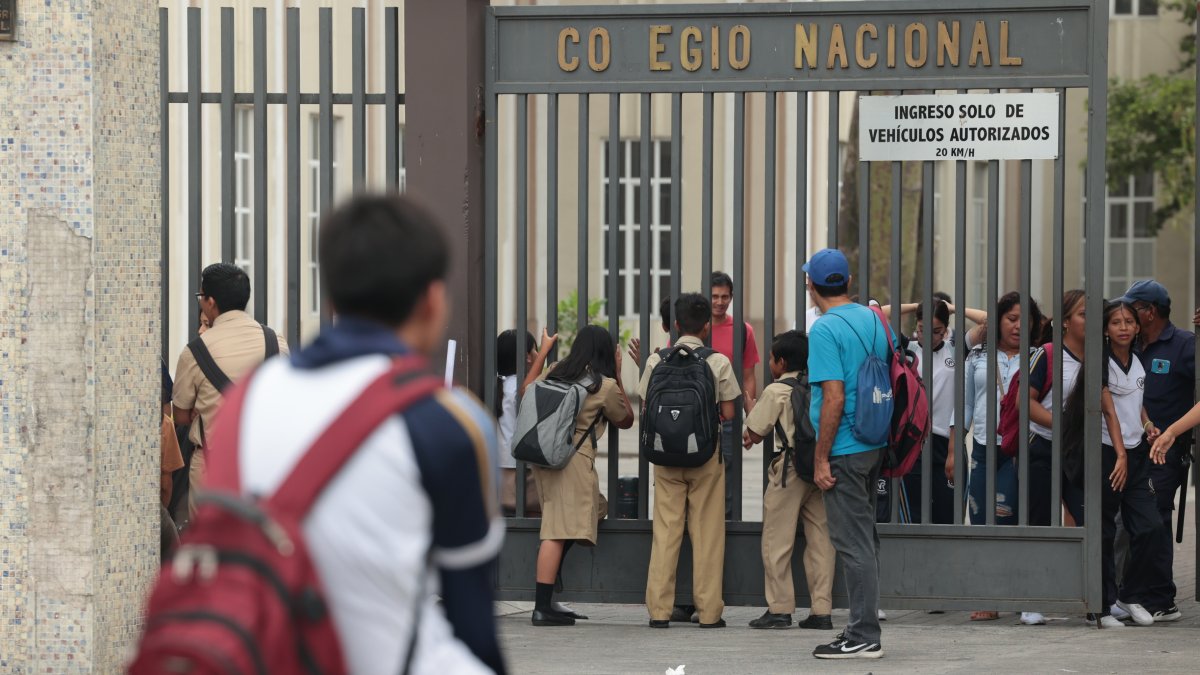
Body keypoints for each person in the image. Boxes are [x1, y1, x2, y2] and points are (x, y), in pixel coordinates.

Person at [228, 194, 506, 673]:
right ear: (433, 300)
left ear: (333, 297)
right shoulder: (447, 422)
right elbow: (472, 620)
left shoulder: (247, 400)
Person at [803, 249, 888, 660]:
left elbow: (833, 398)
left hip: (845, 450)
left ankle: (863, 635)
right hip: (873, 442)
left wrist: (821, 459)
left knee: (853, 545)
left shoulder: (823, 330)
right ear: (849, 283)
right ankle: (864, 628)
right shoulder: (872, 318)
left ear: (811, 285)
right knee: (866, 540)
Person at [522, 324, 635, 627]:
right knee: (557, 532)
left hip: (545, 457)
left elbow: (525, 391)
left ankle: (550, 564)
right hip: (572, 462)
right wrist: (619, 375)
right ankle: (542, 606)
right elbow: (626, 419)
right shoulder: (604, 385)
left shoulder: (558, 368)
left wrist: (544, 351)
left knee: (594, 508)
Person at [1060, 300, 1163, 628]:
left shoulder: (1138, 361)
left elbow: (1137, 403)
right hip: (1106, 453)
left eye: (1129, 321)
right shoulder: (1098, 363)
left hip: (1135, 454)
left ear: (1137, 327)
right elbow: (1108, 412)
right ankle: (1100, 606)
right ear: (1105, 329)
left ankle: (1127, 595)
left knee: (1150, 526)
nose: (1123, 327)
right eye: (1116, 322)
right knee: (1103, 531)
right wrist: (1119, 456)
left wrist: (1148, 426)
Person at [640, 293, 740, 629]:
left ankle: (659, 611)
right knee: (707, 534)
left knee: (666, 533)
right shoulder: (718, 362)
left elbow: (645, 405)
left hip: (665, 458)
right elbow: (728, 412)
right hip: (705, 458)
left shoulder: (657, 361)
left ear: (676, 325)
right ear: (707, 326)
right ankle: (709, 612)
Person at [949, 290, 1043, 623]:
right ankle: (987, 594)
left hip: (1020, 450)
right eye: (1011, 319)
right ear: (998, 321)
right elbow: (965, 407)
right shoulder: (977, 356)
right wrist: (952, 451)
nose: (1018, 326)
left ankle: (1011, 590)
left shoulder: (1039, 358)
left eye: (1025, 320)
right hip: (983, 450)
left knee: (1006, 516)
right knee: (979, 518)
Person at [172, 263, 288, 520]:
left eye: (201, 297)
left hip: (212, 468)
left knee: (211, 545)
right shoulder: (275, 342)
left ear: (210, 302)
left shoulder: (195, 352)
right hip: (263, 466)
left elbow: (179, 416)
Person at [742, 330, 836, 631]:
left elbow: (752, 435)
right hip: (821, 467)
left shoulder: (776, 390)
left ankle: (780, 609)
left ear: (781, 362)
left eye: (771, 359)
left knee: (777, 540)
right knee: (821, 541)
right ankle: (821, 610)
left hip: (790, 469)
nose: (769, 363)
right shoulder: (820, 386)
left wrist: (750, 409)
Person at [1116, 280, 1193, 623]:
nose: (1125, 317)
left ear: (1149, 312)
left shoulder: (1185, 345)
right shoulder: (1126, 344)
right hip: (1129, 448)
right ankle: (1146, 595)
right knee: (1141, 522)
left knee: (1151, 521)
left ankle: (1157, 598)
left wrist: (1174, 433)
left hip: (1165, 453)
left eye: (1132, 309)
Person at [710, 272, 760, 519]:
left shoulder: (742, 330)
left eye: (725, 297)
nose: (720, 302)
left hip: (729, 417)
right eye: (715, 296)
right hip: (696, 412)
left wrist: (751, 420)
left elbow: (749, 376)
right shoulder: (694, 326)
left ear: (732, 298)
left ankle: (728, 523)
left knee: (729, 473)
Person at [495, 329, 540, 516]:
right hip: (523, 471)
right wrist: (544, 355)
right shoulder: (522, 388)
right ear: (527, 357)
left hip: (499, 471)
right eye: (535, 350)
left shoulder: (499, 385)